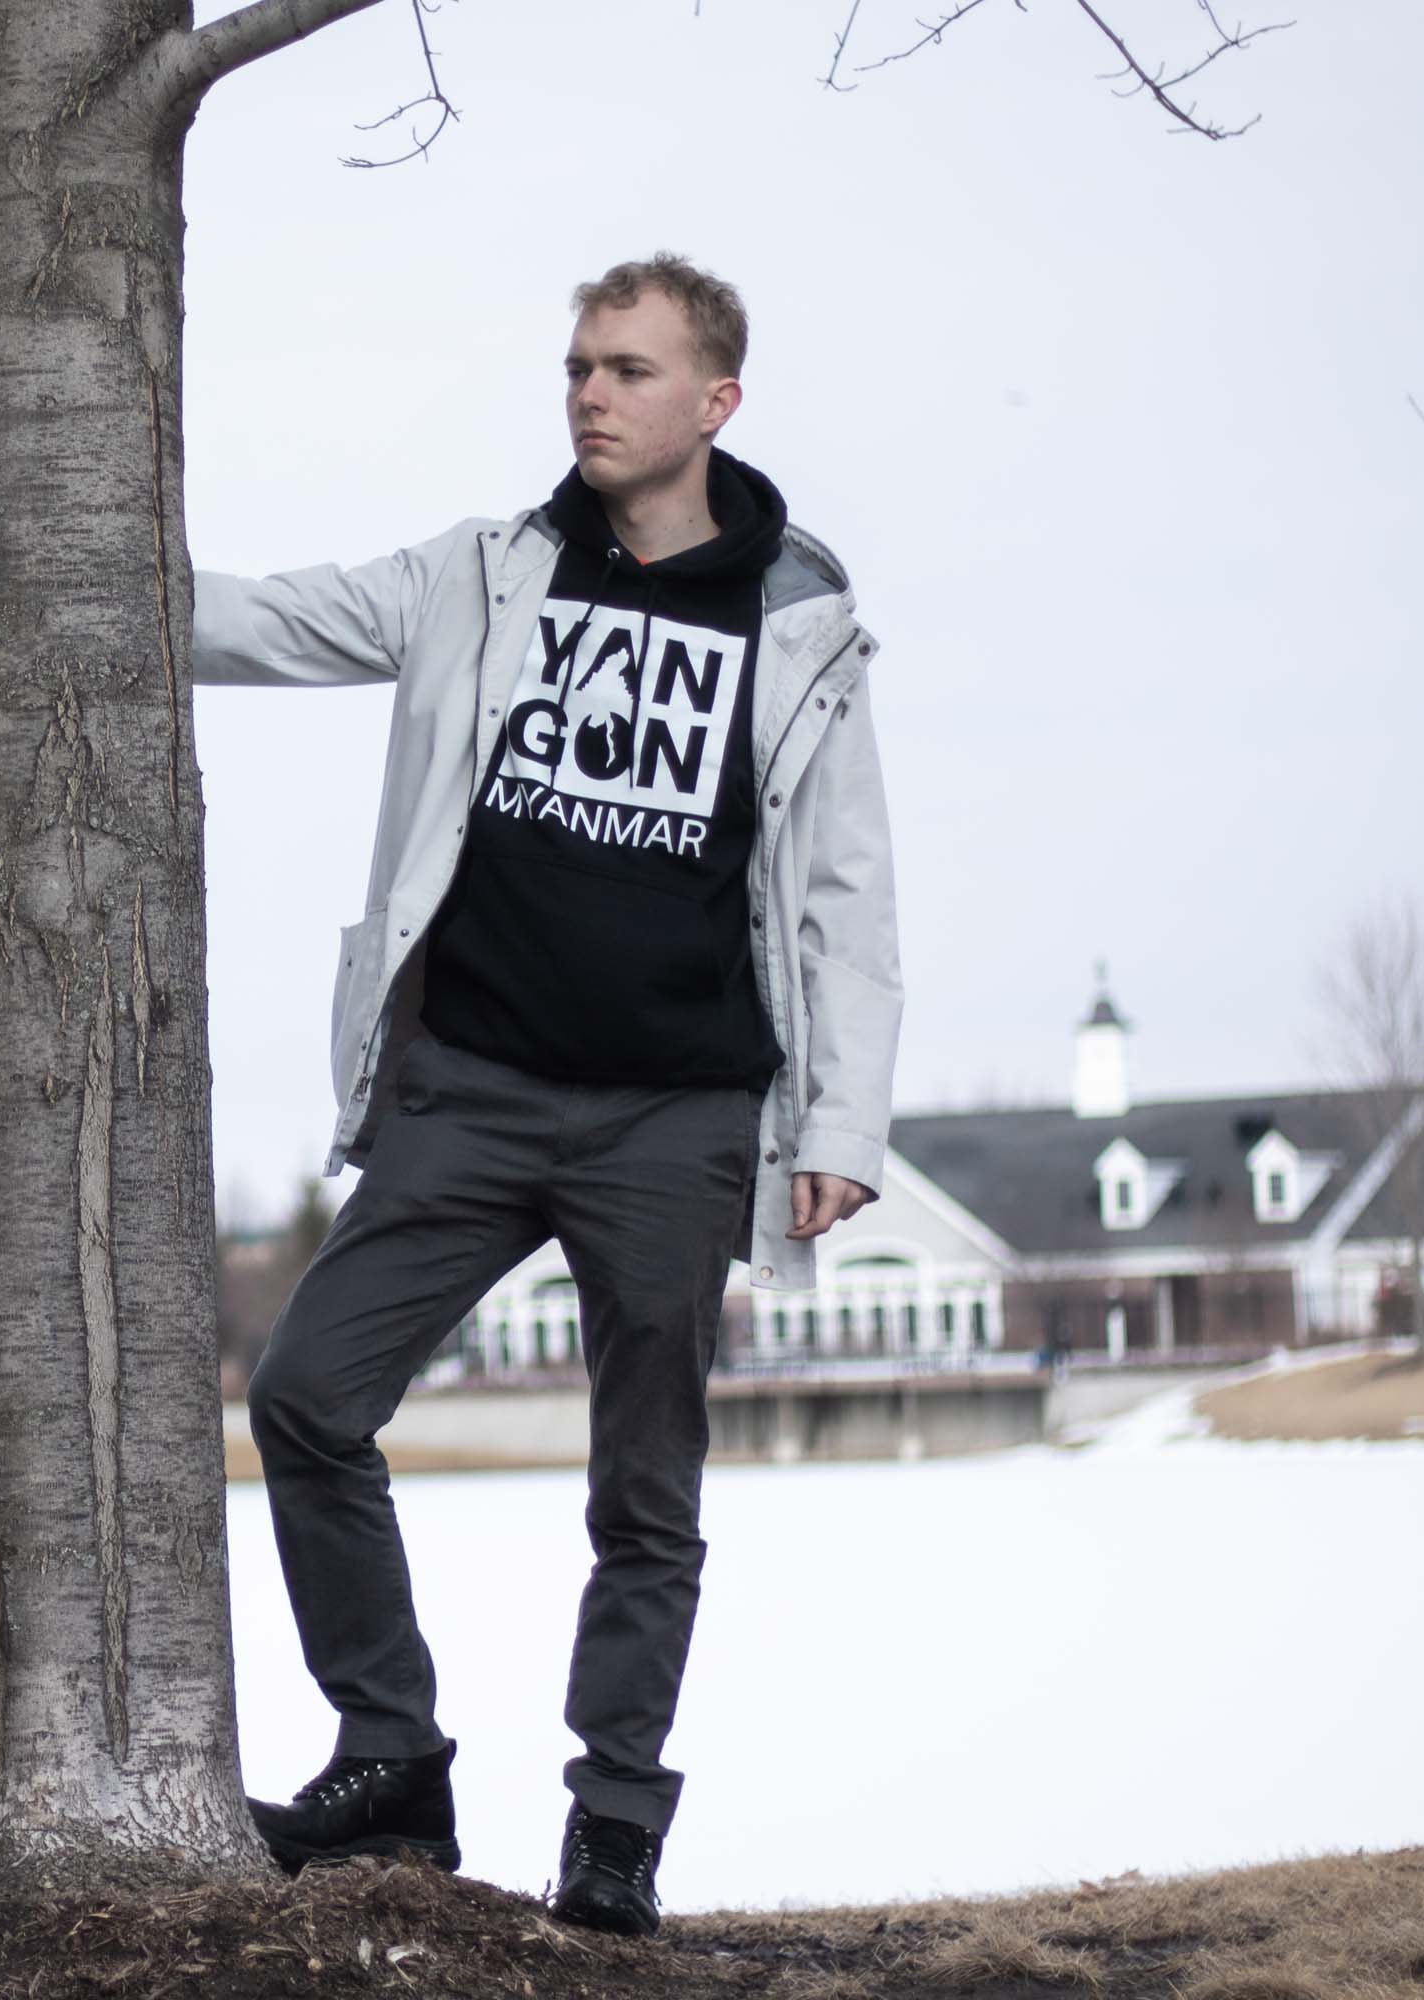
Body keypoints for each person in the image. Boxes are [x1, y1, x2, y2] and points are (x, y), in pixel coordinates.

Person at [190, 253, 903, 1938]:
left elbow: (846, 893)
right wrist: (69, 563)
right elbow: (274, 619)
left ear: (714, 401)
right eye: (580, 364)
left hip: (679, 1113)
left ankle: (615, 1829)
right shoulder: (486, 576)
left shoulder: (797, 619)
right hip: (474, 1090)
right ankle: (392, 1759)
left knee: (643, 1494)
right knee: (306, 1393)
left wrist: (844, 1129)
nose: (591, 393)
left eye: (631, 369)